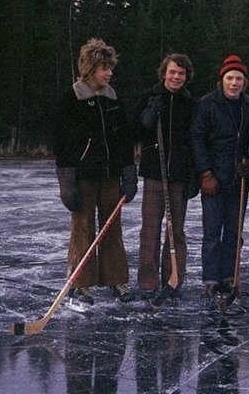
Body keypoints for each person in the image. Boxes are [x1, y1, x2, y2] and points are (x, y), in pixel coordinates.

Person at [53, 38, 137, 307]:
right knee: (83, 228)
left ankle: (117, 279)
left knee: (112, 229)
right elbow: (62, 144)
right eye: (104, 67)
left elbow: (124, 140)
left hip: (111, 175)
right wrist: (66, 183)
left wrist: (129, 174)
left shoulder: (114, 99)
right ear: (89, 69)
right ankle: (82, 284)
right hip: (83, 177)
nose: (109, 73)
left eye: (110, 67)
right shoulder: (71, 99)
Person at [191, 55, 249, 305]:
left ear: (245, 81)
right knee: (212, 232)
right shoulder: (207, 105)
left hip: (239, 180)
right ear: (221, 80)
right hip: (214, 178)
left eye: (238, 79)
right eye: (229, 78)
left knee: (234, 232)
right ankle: (210, 280)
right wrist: (205, 173)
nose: (234, 83)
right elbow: (198, 140)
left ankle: (229, 278)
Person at [130, 53, 198, 301]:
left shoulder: (190, 103)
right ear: (164, 73)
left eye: (181, 73)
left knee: (176, 230)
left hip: (179, 176)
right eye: (172, 72)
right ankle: (148, 282)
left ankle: (174, 280)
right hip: (154, 175)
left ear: (186, 76)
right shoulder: (150, 97)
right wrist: (148, 116)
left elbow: (194, 142)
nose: (176, 77)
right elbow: (134, 131)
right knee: (150, 229)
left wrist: (194, 176)